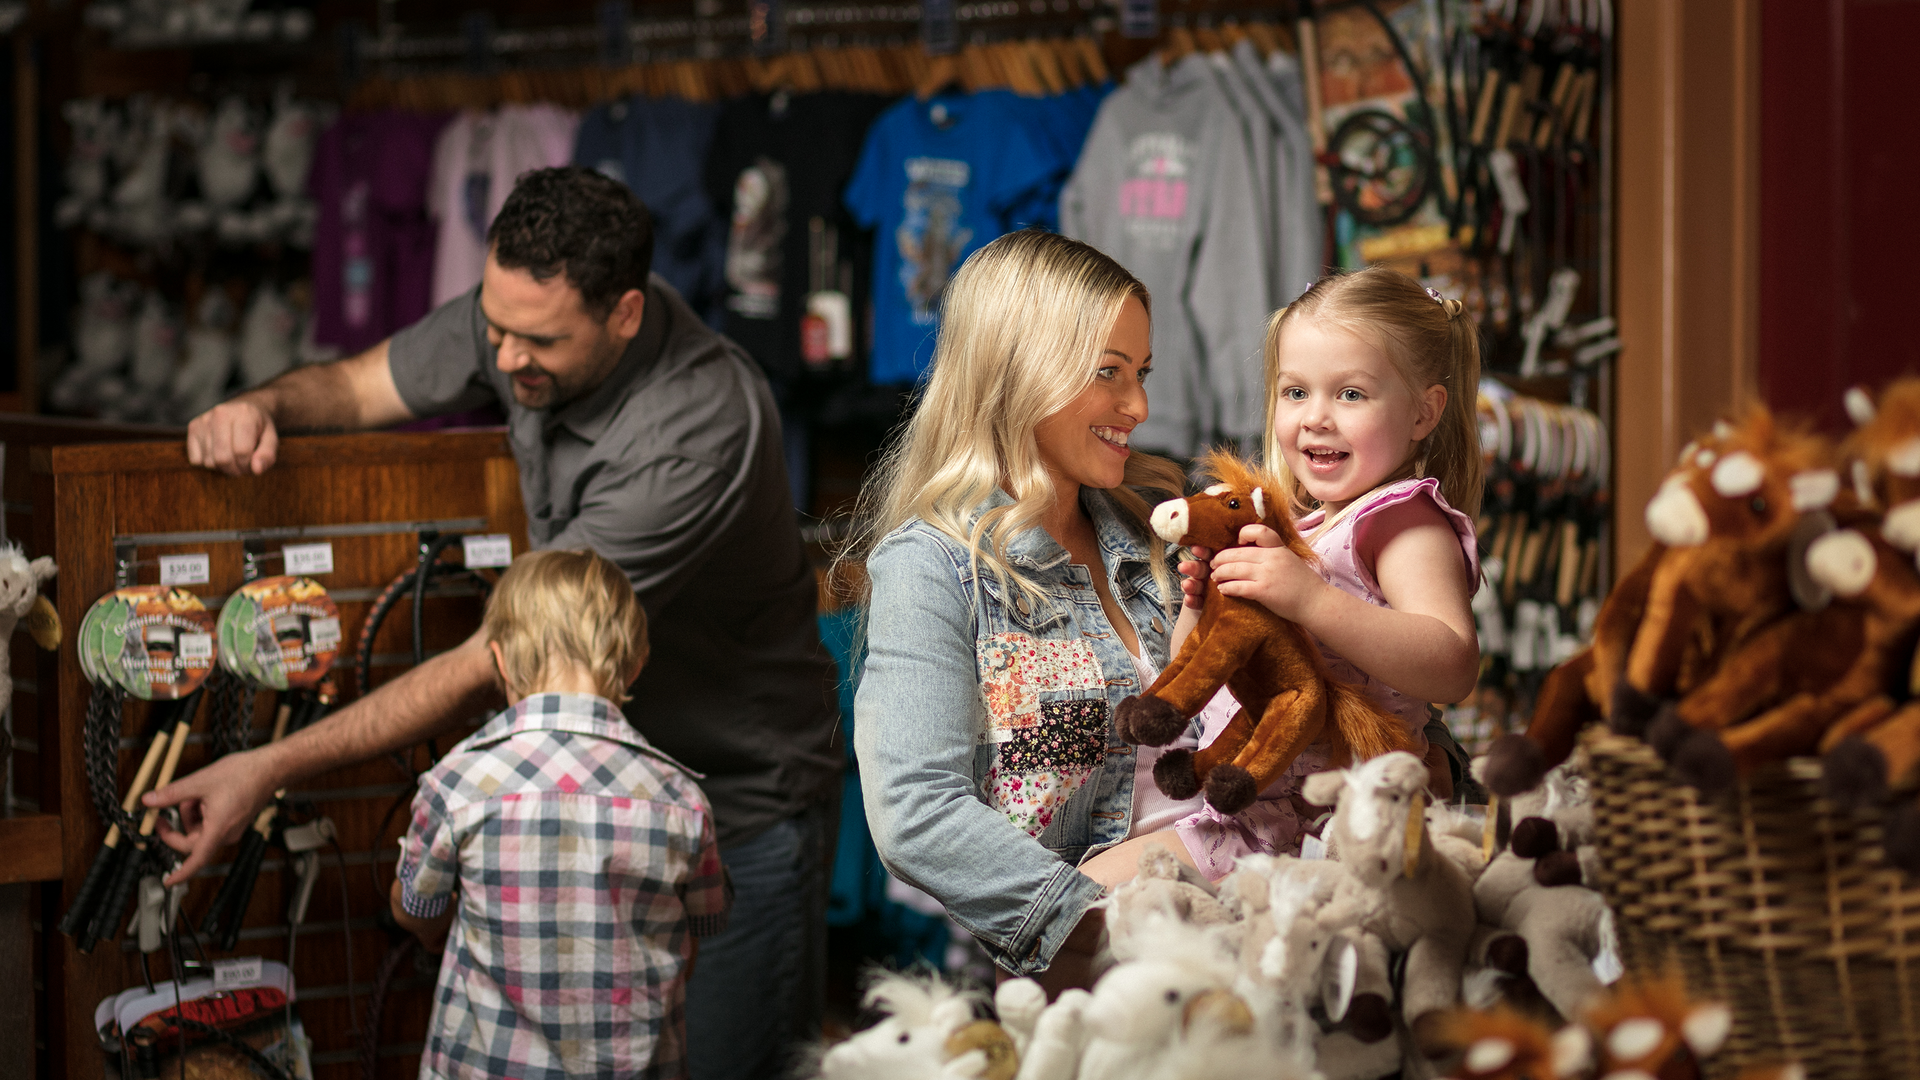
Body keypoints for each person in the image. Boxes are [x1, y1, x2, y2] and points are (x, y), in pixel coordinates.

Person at [150, 167, 839, 1080]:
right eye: (494, 325)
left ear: (625, 314)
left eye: (538, 341)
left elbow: (496, 658)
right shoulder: (524, 313)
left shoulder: (693, 432)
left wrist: (268, 766)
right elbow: (359, 387)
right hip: (575, 803)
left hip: (736, 807)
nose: (505, 358)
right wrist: (261, 405)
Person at [845, 230, 1202, 997]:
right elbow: (916, 813)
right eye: (1108, 372)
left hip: (1235, 945)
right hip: (1090, 991)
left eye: (1140, 373)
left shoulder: (1157, 533)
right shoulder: (934, 566)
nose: (1138, 406)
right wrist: (1100, 929)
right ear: (1017, 368)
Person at [1167, 267, 1484, 879]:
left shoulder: (1401, 521)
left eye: (1351, 395)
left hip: (1329, 832)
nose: (1315, 417)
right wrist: (1201, 608)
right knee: (1085, 906)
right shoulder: (1298, 529)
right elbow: (1198, 669)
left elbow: (1453, 665)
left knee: (1082, 907)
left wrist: (1310, 600)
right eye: (1295, 392)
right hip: (1251, 815)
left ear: (1423, 413)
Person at [390, 548, 730, 1080]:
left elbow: (415, 907)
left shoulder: (457, 784)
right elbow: (699, 932)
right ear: (637, 663)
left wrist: (439, 928)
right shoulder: (681, 800)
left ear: (501, 661)